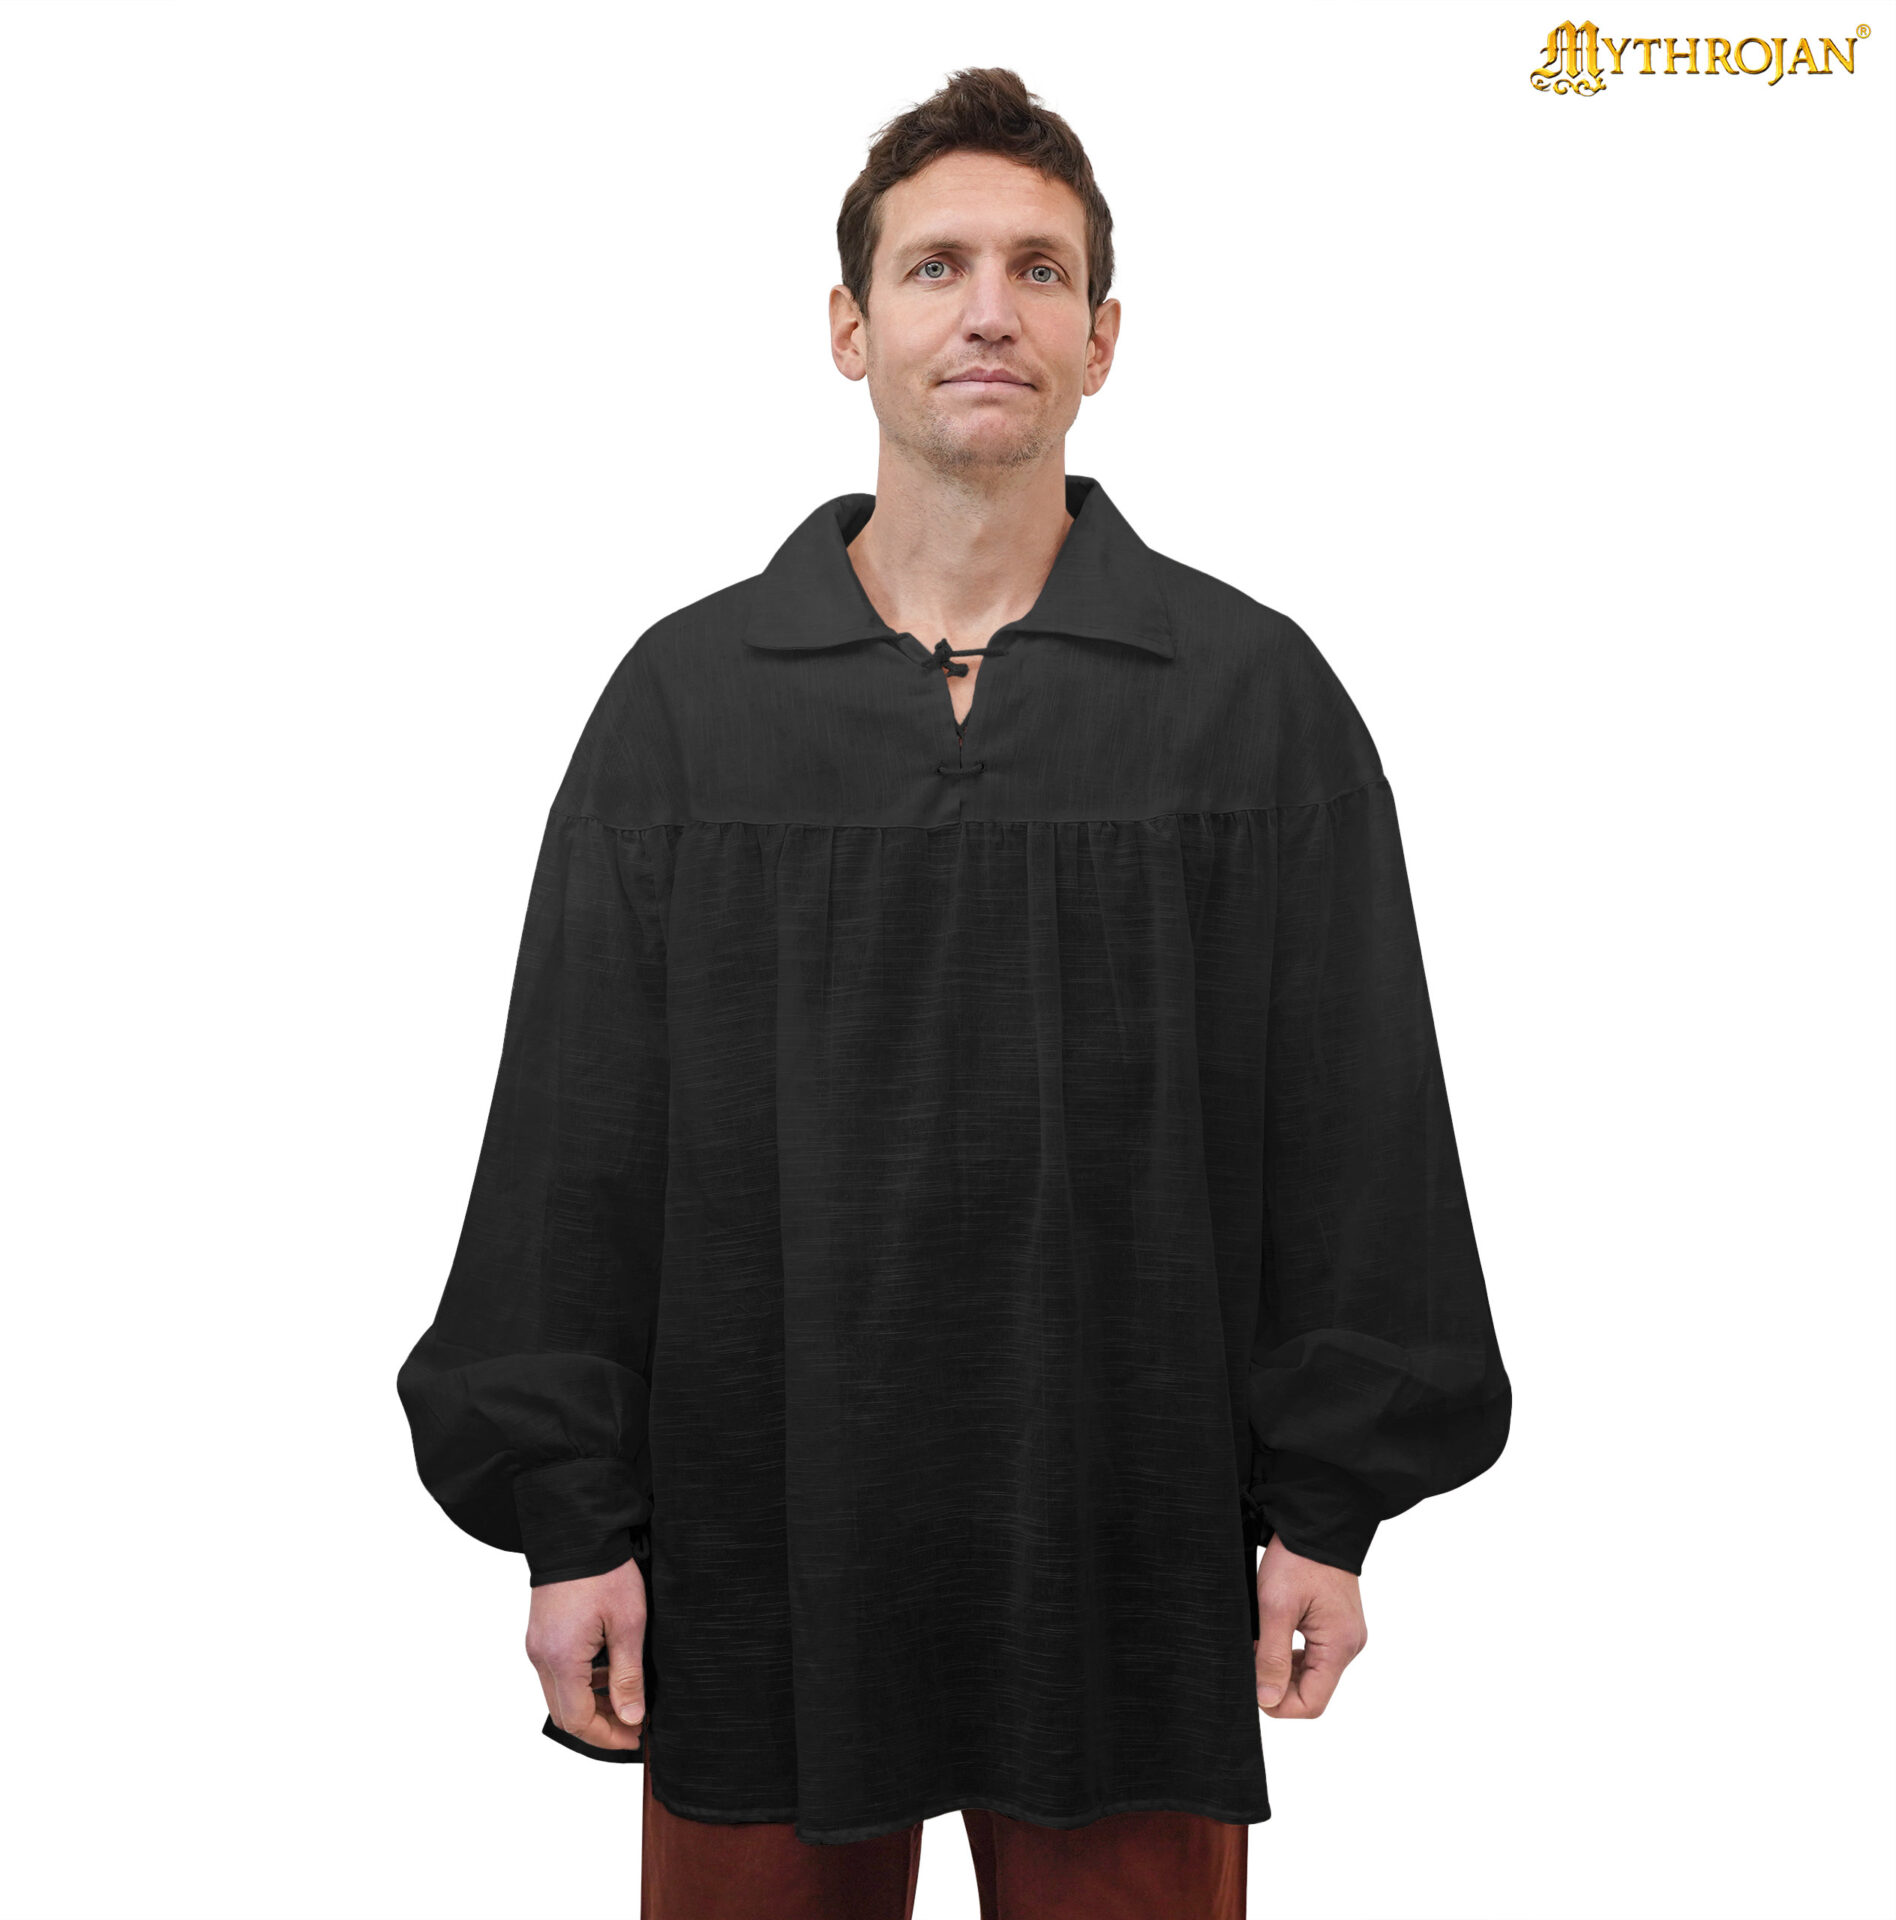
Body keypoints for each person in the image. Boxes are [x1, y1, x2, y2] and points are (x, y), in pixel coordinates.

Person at [395, 65, 1511, 1920]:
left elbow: (1359, 1135)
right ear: (850, 329)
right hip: (756, 1553)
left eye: (1037, 269)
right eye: (935, 267)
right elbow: (573, 1147)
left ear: (1102, 338)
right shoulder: (688, 709)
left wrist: (1329, 1509)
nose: (989, 310)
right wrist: (566, 1523)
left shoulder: (1251, 703)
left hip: (1133, 1555)